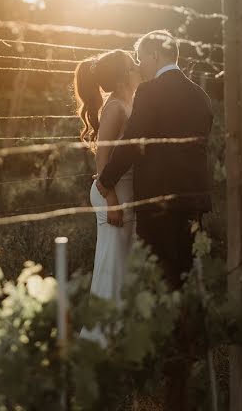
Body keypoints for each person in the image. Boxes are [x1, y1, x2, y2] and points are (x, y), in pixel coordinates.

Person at [95, 30, 213, 411]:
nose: (140, 64)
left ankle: (165, 363)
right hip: (192, 202)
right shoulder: (200, 95)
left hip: (158, 203)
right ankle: (185, 355)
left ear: (155, 54)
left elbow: (131, 143)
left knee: (159, 276)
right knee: (182, 273)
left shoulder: (150, 93)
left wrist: (106, 179)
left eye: (141, 56)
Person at [73, 49, 142, 346]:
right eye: (133, 62)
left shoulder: (129, 102)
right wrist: (113, 202)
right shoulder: (115, 107)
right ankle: (99, 341)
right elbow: (102, 163)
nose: (139, 65)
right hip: (112, 194)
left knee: (122, 264)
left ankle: (119, 337)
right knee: (111, 265)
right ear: (125, 73)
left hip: (125, 193)